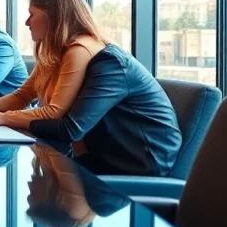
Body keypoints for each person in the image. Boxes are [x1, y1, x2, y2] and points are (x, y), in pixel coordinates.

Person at [0, 0, 108, 129]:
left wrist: (0, 117)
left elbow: (54, 112)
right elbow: (23, 96)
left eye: (32, 14)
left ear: (53, 17)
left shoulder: (80, 49)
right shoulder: (54, 52)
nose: (26, 22)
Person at [28, 45, 181, 176]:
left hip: (140, 165)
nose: (27, 23)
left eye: (32, 15)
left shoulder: (110, 64)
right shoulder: (74, 61)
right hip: (105, 157)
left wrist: (11, 120)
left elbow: (70, 128)